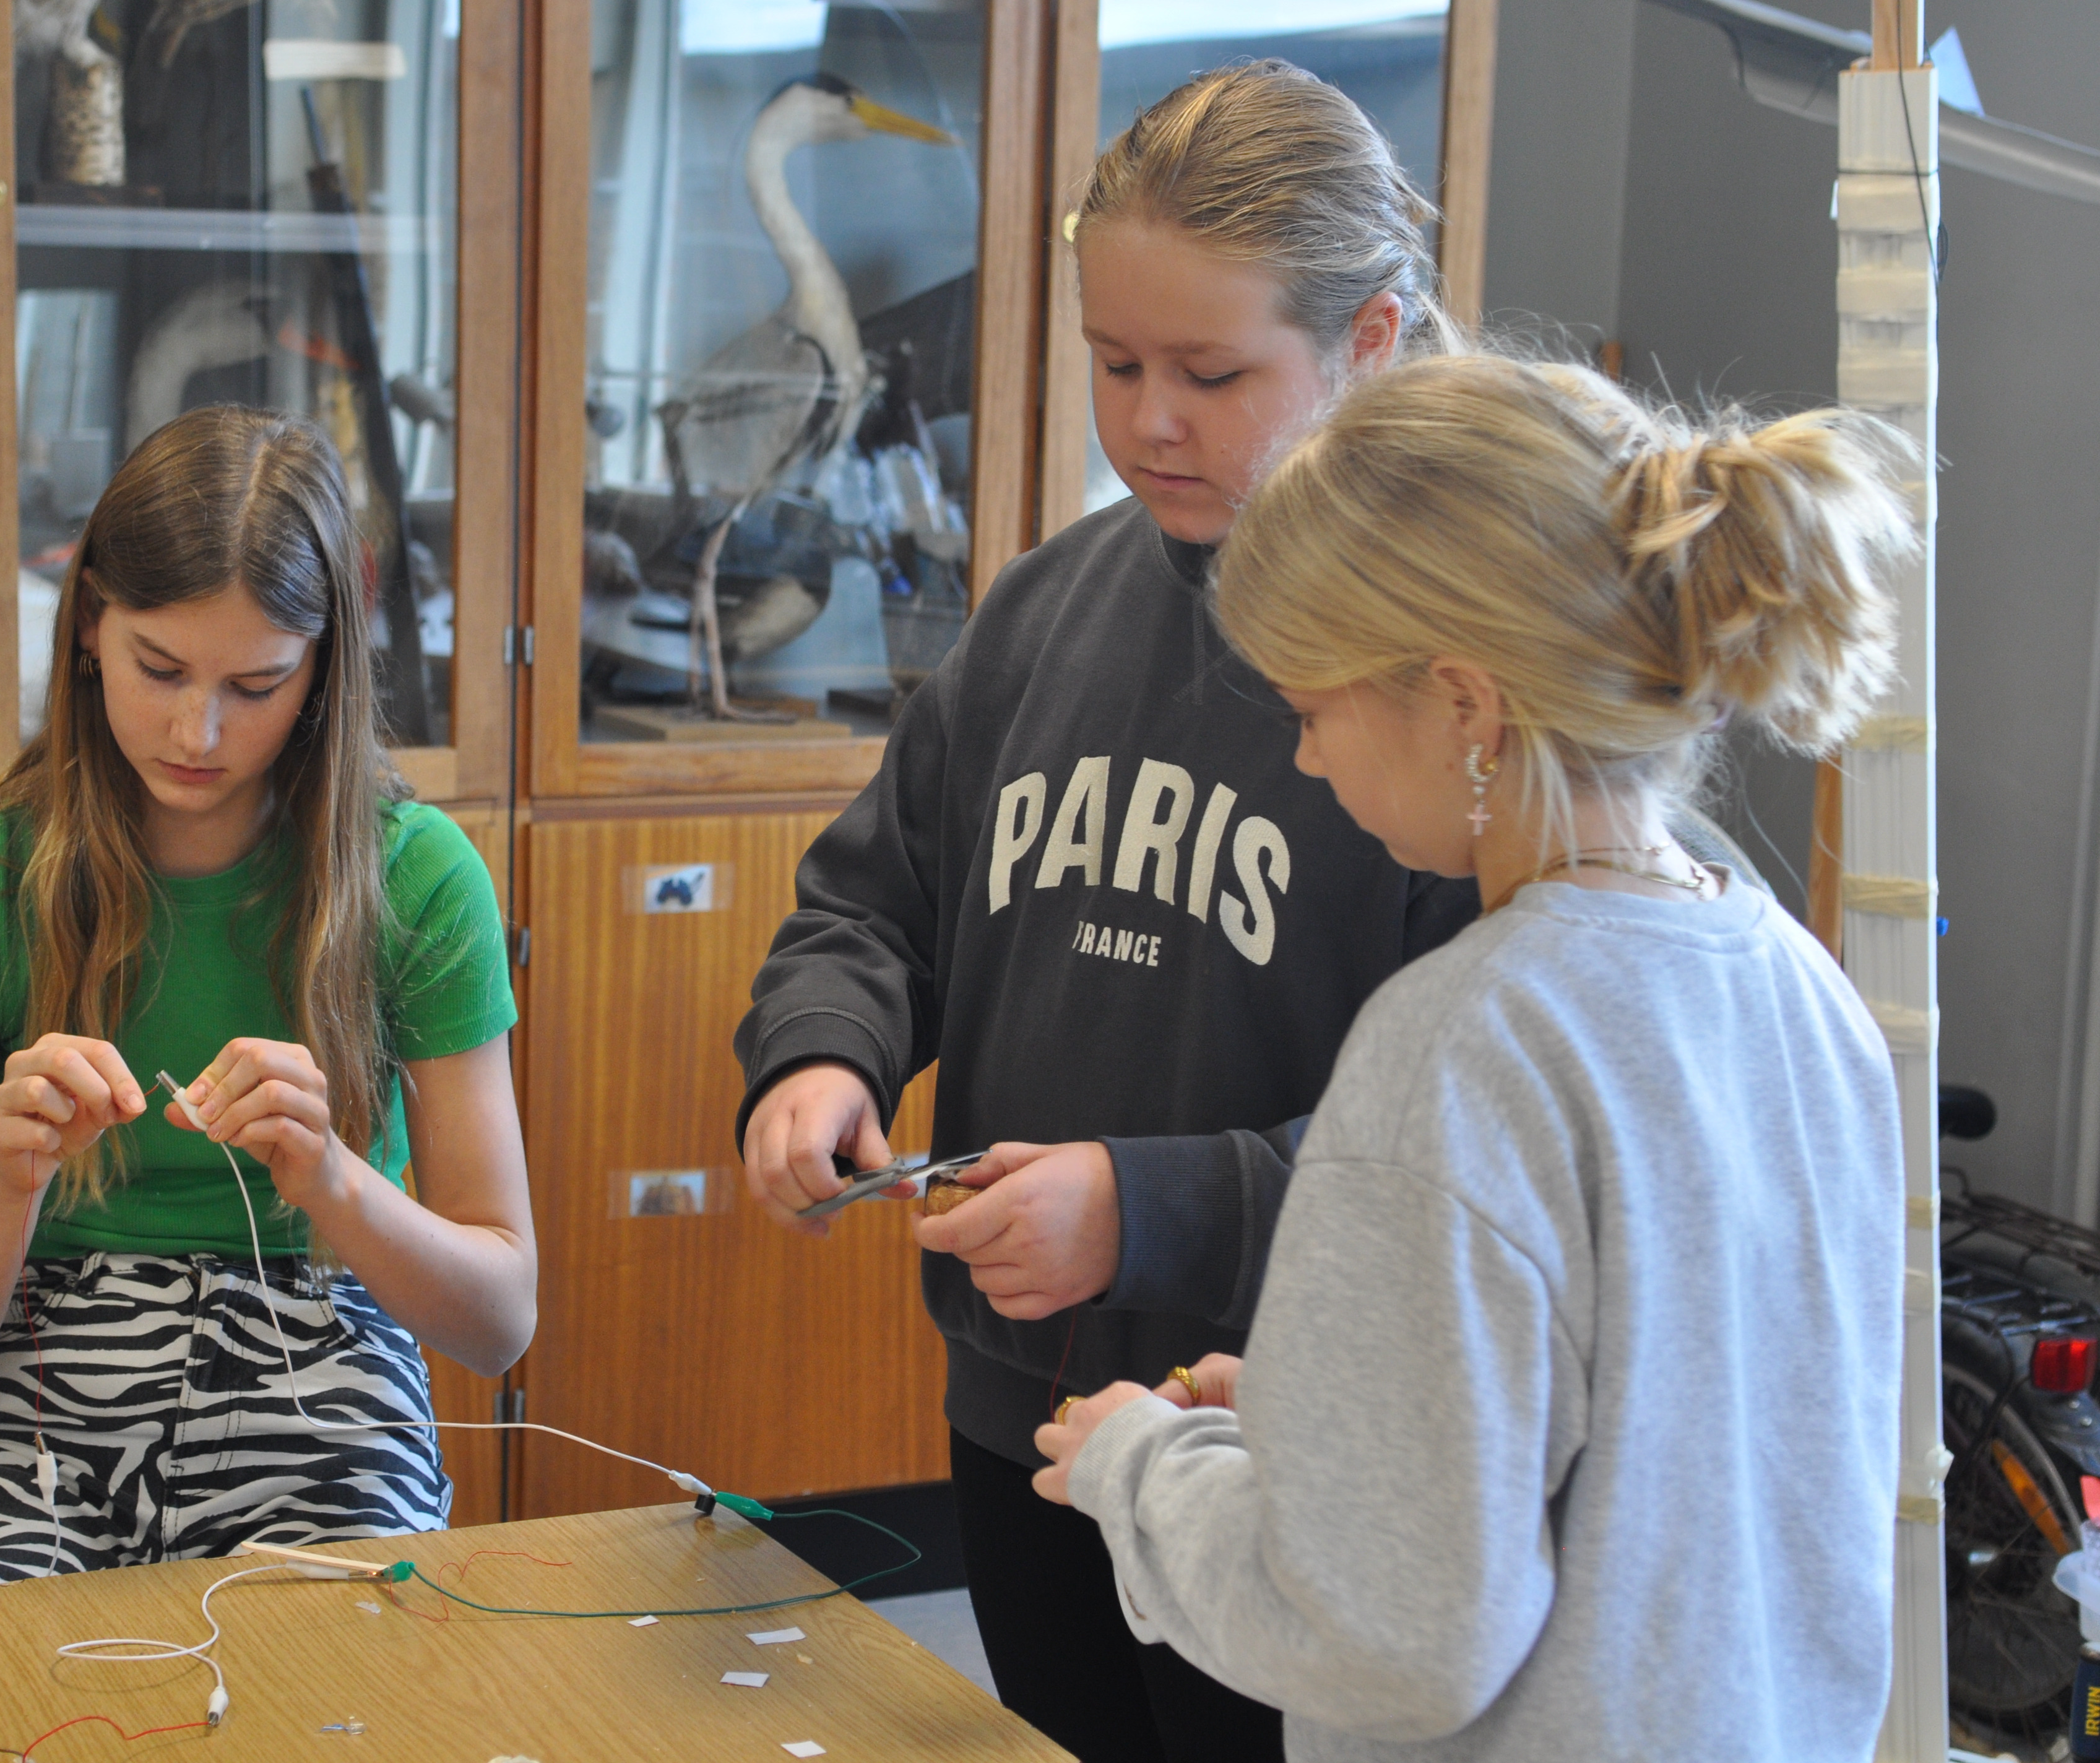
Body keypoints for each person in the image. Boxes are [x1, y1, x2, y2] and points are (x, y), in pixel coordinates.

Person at [734, 63, 1479, 1763]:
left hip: (1291, 1451)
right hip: (1030, 1415)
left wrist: (1149, 1212)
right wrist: (822, 1061)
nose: (1147, 421)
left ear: (1368, 340)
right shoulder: (1046, 609)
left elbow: (1457, 1152)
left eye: (1212, 375)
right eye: (1113, 362)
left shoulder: (1457, 705)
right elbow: (874, 899)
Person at [1034, 353, 1909, 1760]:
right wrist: (1329, 1422)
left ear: (1459, 703)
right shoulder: (1800, 992)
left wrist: (1143, 1468)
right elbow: (1675, 1459)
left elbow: (1394, 1638)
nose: (1307, 765)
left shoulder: (1459, 1041)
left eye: (1310, 711)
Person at [0, 404, 531, 1590]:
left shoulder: (417, 878)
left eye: (256, 684)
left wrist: (332, 1180)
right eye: (159, 668)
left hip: (326, 1366)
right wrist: (7, 1180)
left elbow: (500, 1321)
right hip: (44, 1408)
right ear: (90, 632)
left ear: (321, 673)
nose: (196, 729)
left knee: (354, 1700)